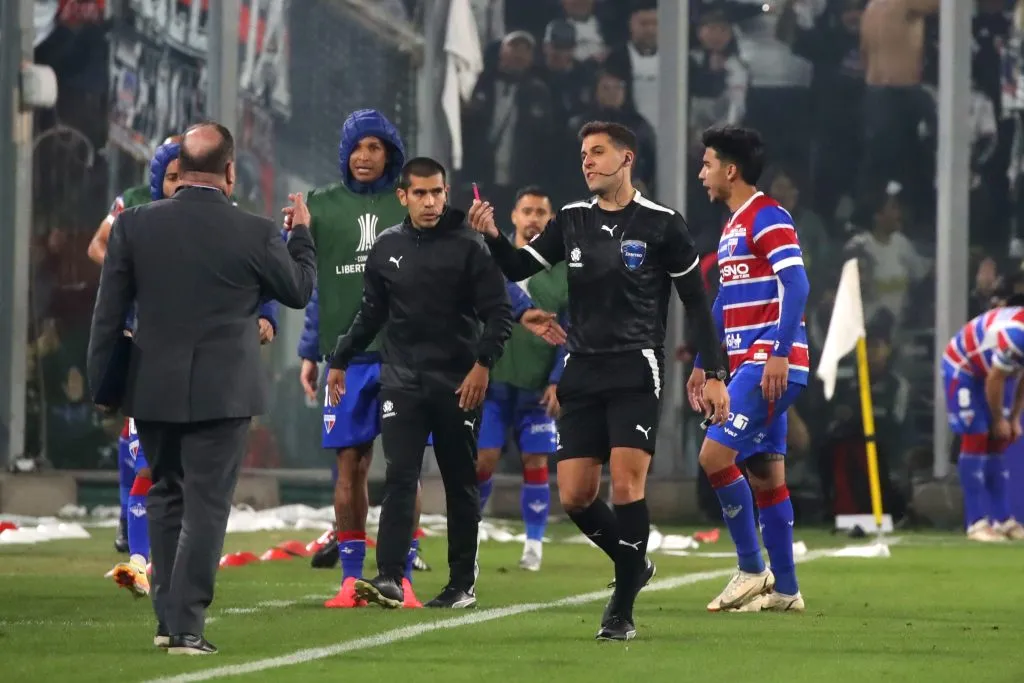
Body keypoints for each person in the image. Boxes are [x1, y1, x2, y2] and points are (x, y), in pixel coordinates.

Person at [467, 121, 730, 641]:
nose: (587, 161)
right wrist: (493, 235)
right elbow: (517, 266)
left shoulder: (663, 224)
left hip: (635, 368)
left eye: (598, 152)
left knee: (627, 486)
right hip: (582, 369)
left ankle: (621, 609)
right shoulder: (571, 219)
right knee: (576, 496)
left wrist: (713, 371)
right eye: (584, 153)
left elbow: (697, 303)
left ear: (626, 159)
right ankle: (635, 563)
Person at [87, 121, 316, 655]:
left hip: (152, 387)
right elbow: (299, 289)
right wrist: (301, 235)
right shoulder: (255, 231)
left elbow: (107, 315)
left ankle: (168, 621)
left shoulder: (134, 225)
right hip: (225, 390)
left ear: (182, 168)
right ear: (230, 171)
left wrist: (103, 385)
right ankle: (187, 627)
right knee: (206, 505)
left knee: (166, 494)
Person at [324, 157, 514, 610]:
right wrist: (340, 358)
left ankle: (462, 584)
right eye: (421, 193)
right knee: (399, 477)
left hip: (458, 383)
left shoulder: (470, 245)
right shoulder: (387, 246)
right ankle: (391, 577)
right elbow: (371, 314)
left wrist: (482, 365)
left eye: (437, 192)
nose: (430, 202)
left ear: (446, 193)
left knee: (459, 483)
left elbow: (499, 314)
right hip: (402, 381)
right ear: (403, 196)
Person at [91, 138, 279, 557]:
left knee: (179, 478)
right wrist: (127, 272)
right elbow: (97, 247)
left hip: (207, 366)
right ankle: (140, 551)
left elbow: (256, 274)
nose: (178, 185)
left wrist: (267, 315)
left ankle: (154, 559)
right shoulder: (134, 210)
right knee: (147, 462)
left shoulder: (225, 215)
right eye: (171, 177)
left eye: (184, 175)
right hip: (148, 352)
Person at [687, 125, 811, 614]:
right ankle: (786, 590)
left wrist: (779, 352)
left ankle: (751, 568)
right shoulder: (734, 225)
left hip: (767, 364)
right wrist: (703, 363)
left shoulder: (767, 215)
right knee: (766, 477)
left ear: (731, 170)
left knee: (714, 458)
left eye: (707, 165)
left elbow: (797, 284)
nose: (702, 174)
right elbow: (723, 303)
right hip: (748, 365)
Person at [475, 185, 568, 572]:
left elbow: (572, 330)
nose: (533, 219)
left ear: (551, 220)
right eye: (526, 211)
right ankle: (470, 537)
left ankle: (533, 546)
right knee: (482, 461)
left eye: (541, 212)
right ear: (513, 217)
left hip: (537, 387)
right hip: (493, 384)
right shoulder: (491, 260)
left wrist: (558, 378)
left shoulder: (564, 271)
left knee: (536, 459)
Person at [942, 301, 1024, 542]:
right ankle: (976, 522)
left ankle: (1002, 519)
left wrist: (1014, 418)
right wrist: (998, 418)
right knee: (976, 436)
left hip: (994, 370)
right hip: (963, 367)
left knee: (999, 441)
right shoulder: (1017, 335)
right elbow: (994, 379)